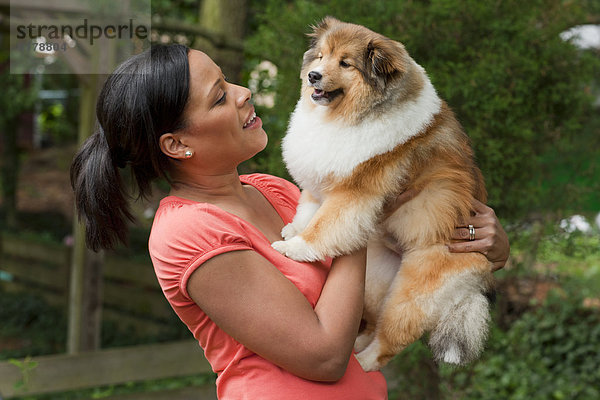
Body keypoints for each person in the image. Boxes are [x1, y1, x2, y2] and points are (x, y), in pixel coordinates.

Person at [71, 44, 510, 400]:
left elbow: (380, 285)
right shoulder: (188, 233)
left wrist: (484, 243)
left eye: (228, 80)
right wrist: (355, 211)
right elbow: (322, 356)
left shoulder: (275, 190)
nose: (244, 92)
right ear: (177, 144)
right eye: (220, 96)